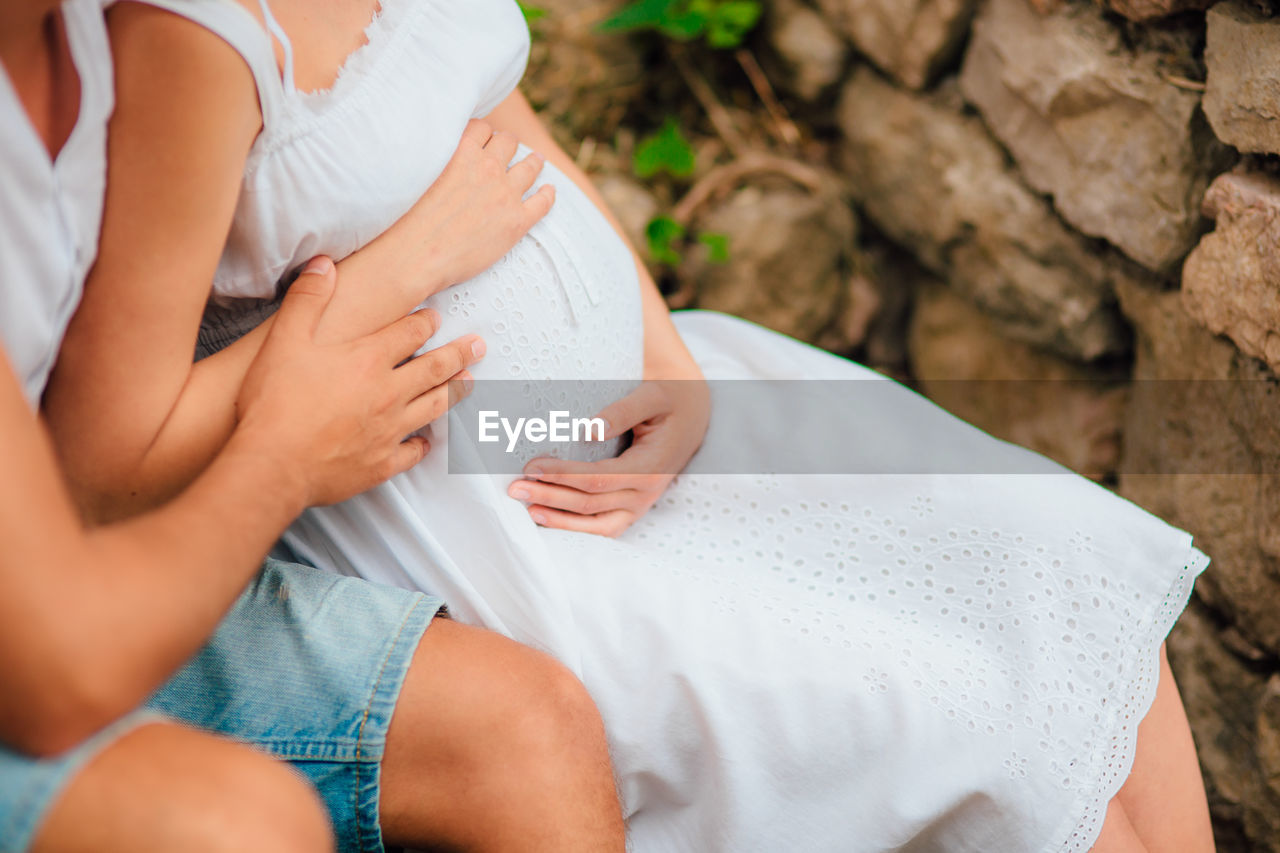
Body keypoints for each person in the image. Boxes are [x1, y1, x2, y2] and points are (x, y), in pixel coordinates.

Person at [42, 0, 1217, 850]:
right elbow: (102, 455)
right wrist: (406, 263)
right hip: (478, 484)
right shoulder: (187, 41)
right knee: (974, 734)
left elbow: (512, 124)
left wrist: (669, 368)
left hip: (640, 407)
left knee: (1065, 568)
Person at [0, 2, 627, 850]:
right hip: (51, 613)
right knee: (243, 828)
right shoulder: (171, 45)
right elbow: (57, 656)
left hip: (560, 459)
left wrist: (662, 353)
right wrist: (281, 457)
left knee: (532, 728)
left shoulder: (72, 28)